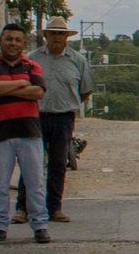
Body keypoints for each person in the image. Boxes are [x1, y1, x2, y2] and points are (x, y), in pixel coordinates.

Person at [0, 21, 50, 244]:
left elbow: (38, 92)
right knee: (0, 184)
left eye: (18, 40)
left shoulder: (33, 65)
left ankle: (40, 225)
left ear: (24, 43)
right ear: (1, 41)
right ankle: (0, 226)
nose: (13, 43)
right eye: (9, 39)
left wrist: (5, 87)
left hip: (29, 132)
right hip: (1, 133)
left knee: (35, 182)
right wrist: (21, 83)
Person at [24, 15, 93, 224]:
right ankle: (23, 208)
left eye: (60, 34)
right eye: (53, 33)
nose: (57, 38)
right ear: (46, 35)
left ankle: (54, 207)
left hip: (63, 117)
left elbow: (85, 90)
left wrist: (67, 104)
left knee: (58, 163)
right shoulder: (32, 58)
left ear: (66, 37)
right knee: (31, 162)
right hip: (36, 116)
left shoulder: (77, 60)